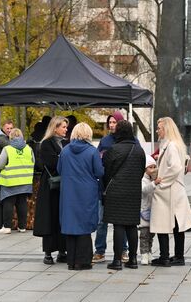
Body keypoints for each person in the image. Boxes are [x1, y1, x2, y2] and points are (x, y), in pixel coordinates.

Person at [58, 123, 104, 270]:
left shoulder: (65, 151)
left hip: (69, 192)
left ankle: (71, 261)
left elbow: (59, 169)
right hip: (87, 192)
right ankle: (83, 261)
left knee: (71, 225)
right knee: (84, 225)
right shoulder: (92, 151)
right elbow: (99, 172)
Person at [150, 117, 191, 267]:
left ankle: (165, 256)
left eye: (159, 128)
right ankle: (178, 256)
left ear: (167, 129)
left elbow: (175, 167)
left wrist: (162, 181)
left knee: (162, 222)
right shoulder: (176, 145)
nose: (158, 131)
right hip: (175, 190)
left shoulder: (171, 146)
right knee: (177, 224)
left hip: (169, 190)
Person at [102, 121, 146, 270]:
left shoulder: (113, 149)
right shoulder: (139, 150)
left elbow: (106, 172)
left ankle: (117, 260)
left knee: (118, 225)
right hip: (133, 191)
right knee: (132, 225)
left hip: (116, 191)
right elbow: (141, 172)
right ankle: (133, 259)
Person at [93, 110, 130, 264]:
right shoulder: (105, 141)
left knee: (121, 221)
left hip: (122, 186)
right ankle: (100, 250)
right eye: (110, 122)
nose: (111, 125)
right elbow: (97, 160)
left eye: (114, 122)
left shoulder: (129, 140)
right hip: (105, 186)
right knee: (101, 221)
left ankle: (123, 250)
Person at [33, 116, 69, 265]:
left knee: (61, 219)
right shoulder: (46, 143)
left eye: (66, 127)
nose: (66, 129)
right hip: (50, 186)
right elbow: (51, 162)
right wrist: (63, 159)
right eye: (63, 127)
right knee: (49, 218)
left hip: (63, 186)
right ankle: (48, 253)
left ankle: (62, 251)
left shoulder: (66, 143)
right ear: (55, 128)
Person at [0, 128, 35, 234]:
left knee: (8, 203)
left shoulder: (7, 149)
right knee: (22, 203)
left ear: (10, 137)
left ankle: (7, 227)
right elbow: (33, 162)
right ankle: (22, 227)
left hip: (10, 181)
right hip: (25, 180)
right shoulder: (28, 149)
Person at [139, 155, 158, 265]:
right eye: (150, 167)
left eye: (154, 167)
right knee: (144, 234)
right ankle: (144, 254)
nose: (153, 169)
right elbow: (144, 190)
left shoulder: (153, 179)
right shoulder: (143, 179)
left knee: (151, 234)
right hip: (145, 210)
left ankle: (149, 251)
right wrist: (154, 184)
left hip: (153, 210)